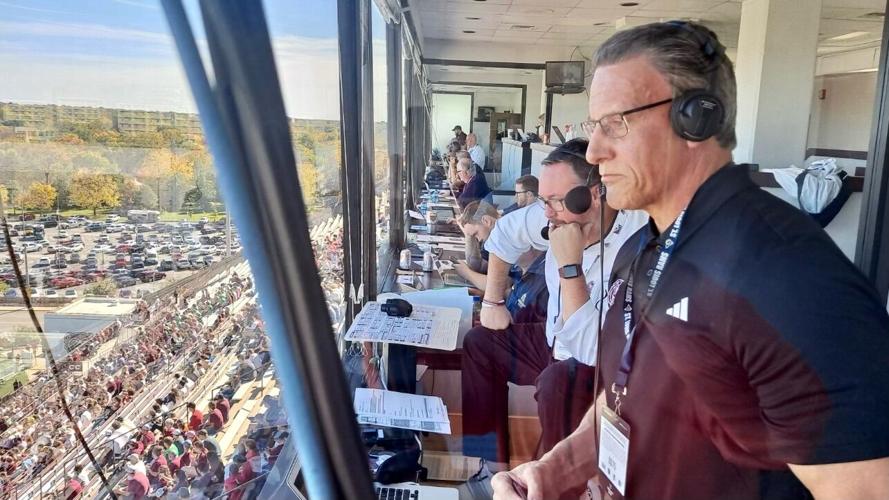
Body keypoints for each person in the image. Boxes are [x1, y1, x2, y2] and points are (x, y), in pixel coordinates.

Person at [492, 21, 889, 500]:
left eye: (616, 123)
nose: (595, 151)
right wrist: (554, 470)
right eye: (593, 127)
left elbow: (862, 490)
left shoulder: (785, 275)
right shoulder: (644, 250)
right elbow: (623, 399)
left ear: (695, 119)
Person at [463, 139, 647, 465]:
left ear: (593, 194)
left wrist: (569, 267)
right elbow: (504, 232)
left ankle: (550, 483)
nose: (547, 213)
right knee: (479, 343)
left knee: (556, 382)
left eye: (556, 201)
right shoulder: (553, 216)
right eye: (544, 201)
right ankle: (487, 463)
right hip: (553, 344)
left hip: (600, 372)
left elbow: (592, 349)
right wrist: (492, 302)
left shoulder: (640, 244)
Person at [456, 200, 498, 280]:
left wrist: (467, 272)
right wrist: (469, 234)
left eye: (476, 234)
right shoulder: (490, 240)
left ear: (486, 221)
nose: (478, 240)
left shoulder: (502, 244)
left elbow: (498, 285)